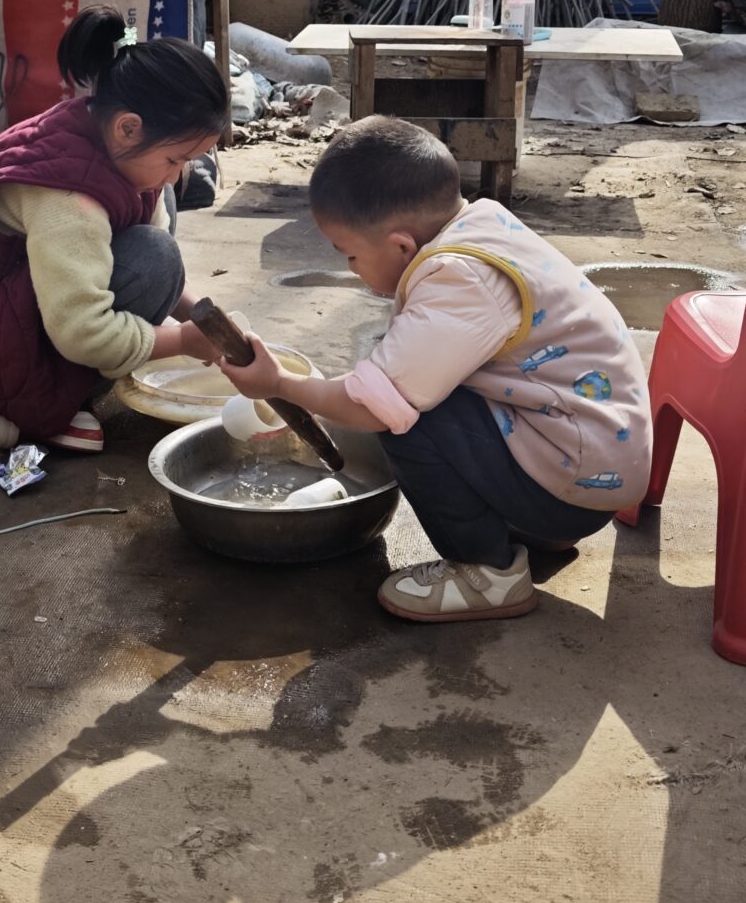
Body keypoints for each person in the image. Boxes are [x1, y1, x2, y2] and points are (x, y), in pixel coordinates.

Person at [221, 116, 652, 622]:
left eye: (351, 256)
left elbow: (372, 405)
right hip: (588, 464)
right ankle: (535, 529)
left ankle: (488, 574)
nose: (350, 270)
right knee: (410, 383)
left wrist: (280, 384)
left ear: (402, 245)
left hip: (575, 489)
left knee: (407, 417)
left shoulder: (460, 281)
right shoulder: (482, 225)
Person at [0, 5, 228, 455]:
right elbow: (84, 331)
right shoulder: (69, 196)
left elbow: (165, 275)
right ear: (128, 128)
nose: (177, 173)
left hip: (11, 311)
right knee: (154, 255)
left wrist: (208, 321)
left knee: (158, 217)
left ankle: (65, 383)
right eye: (175, 159)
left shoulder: (107, 139)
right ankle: (36, 409)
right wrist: (183, 341)